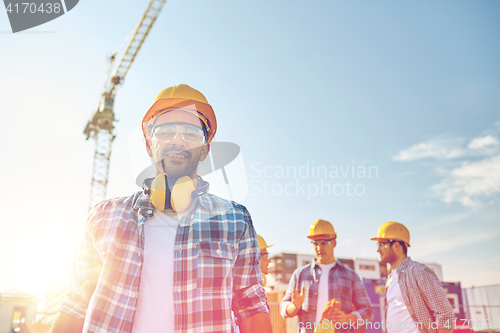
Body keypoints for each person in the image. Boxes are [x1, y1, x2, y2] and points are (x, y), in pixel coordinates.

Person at [51, 84, 272, 333]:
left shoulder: (235, 220)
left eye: (190, 133)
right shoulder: (104, 216)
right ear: (148, 145)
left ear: (204, 150)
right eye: (166, 131)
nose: (178, 141)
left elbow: (252, 306)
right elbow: (76, 302)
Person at [280, 219, 374, 333]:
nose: (319, 248)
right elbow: (283, 307)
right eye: (315, 243)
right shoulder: (299, 275)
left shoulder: (351, 276)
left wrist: (348, 318)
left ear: (334, 242)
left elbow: (368, 311)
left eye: (323, 243)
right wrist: (294, 307)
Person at [371, 221, 455, 333]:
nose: (378, 249)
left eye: (382, 244)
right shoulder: (391, 278)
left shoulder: (418, 271)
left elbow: (445, 314)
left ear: (396, 245)